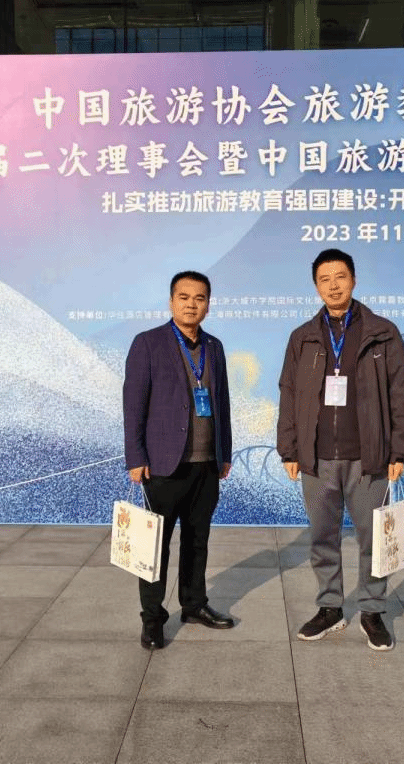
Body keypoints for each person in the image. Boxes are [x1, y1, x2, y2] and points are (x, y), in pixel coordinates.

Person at [277, 249, 404, 651]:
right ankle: (330, 607)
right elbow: (289, 393)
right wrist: (289, 449)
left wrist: (399, 450)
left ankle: (371, 610)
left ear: (353, 280)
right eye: (325, 279)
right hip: (317, 457)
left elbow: (400, 392)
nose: (333, 285)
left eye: (340, 277)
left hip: (368, 458)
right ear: (316, 286)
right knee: (322, 537)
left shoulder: (382, 333)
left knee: (374, 539)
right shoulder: (302, 337)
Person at [123, 270, 235, 650]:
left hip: (205, 464)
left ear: (208, 305)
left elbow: (222, 403)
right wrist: (136, 456)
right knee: (155, 546)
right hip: (163, 465)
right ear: (171, 301)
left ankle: (194, 604)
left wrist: (224, 452)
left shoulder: (214, 347)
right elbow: (133, 405)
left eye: (199, 298)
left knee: (197, 540)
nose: (191, 304)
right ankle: (152, 618)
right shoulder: (148, 343)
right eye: (184, 297)